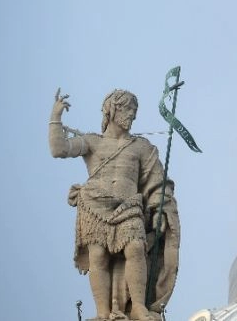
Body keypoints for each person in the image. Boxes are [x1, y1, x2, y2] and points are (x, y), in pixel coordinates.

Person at [49, 89, 179, 321]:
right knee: (98, 256)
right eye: (127, 109)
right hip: (93, 205)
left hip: (128, 206)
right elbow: (59, 149)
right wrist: (56, 117)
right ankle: (102, 313)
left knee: (136, 249)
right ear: (111, 109)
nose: (132, 115)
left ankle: (138, 306)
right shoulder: (92, 142)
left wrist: (159, 207)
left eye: (134, 111)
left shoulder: (142, 147)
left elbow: (158, 182)